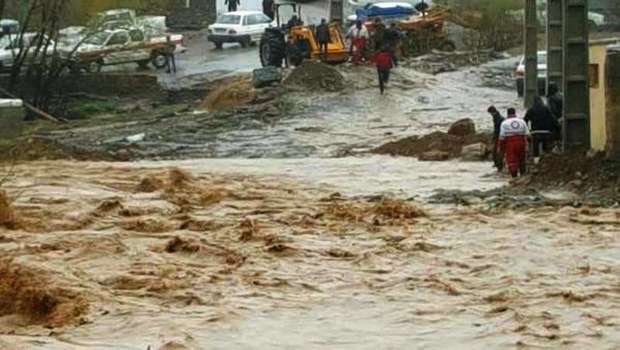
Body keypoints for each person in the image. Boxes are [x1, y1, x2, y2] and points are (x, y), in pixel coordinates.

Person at [499, 108, 530, 178]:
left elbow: (502, 137)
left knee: (512, 159)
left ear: (507, 114)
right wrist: (528, 145)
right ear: (515, 113)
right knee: (522, 159)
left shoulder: (504, 123)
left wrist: (501, 149)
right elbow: (528, 135)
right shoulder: (522, 121)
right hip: (521, 141)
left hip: (510, 142)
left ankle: (514, 177)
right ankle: (523, 175)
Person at [487, 106, 505, 171]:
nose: (490, 114)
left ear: (492, 112)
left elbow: (497, 129)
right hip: (499, 136)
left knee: (496, 151)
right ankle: (498, 164)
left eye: (490, 113)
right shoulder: (497, 117)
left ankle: (499, 165)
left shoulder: (498, 118)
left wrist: (494, 137)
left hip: (499, 136)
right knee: (496, 151)